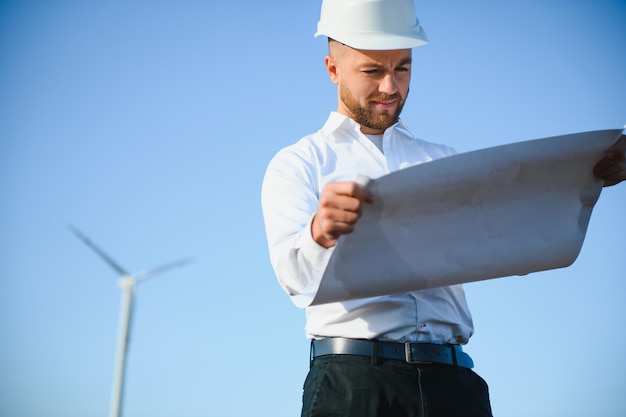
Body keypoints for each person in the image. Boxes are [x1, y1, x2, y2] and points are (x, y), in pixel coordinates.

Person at [261, 1, 626, 416]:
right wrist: (319, 232)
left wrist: (586, 174)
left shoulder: (442, 159)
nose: (390, 87)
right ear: (332, 69)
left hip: (453, 383)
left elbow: (512, 243)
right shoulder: (300, 163)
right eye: (372, 71)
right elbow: (294, 280)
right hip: (355, 385)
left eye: (402, 67)